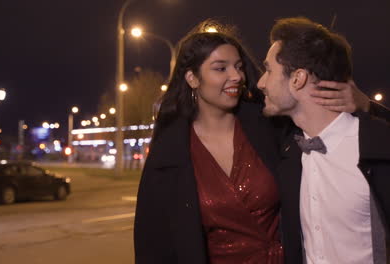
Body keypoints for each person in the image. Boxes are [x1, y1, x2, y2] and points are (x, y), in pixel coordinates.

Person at [134, 20, 371, 264]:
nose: (236, 76)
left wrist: (366, 105)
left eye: (238, 66)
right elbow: (154, 245)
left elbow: (325, 122)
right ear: (193, 78)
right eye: (220, 68)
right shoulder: (170, 151)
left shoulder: (272, 126)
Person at [257, 17, 390, 263]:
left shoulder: (379, 147)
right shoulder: (289, 153)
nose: (260, 83)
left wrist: (369, 107)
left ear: (297, 78)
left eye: (268, 70)